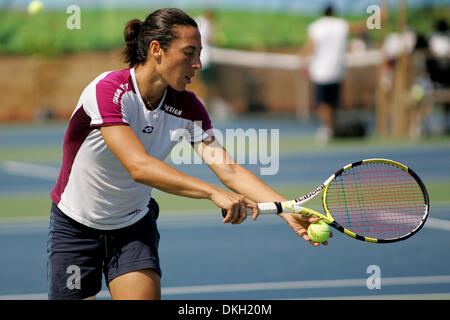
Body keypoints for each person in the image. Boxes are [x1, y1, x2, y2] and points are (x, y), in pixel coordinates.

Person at [47, 8, 329, 301]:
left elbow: (228, 169)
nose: (198, 64)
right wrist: (212, 193)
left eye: (200, 53)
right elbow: (138, 166)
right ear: (157, 50)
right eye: (189, 53)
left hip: (132, 229)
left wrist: (286, 210)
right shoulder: (109, 91)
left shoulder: (189, 107)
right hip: (76, 226)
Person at [301, 5, 373, 143]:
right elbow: (360, 27)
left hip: (321, 72)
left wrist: (302, 61)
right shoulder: (340, 25)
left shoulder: (316, 27)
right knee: (332, 103)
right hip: (337, 70)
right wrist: (377, 18)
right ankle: (330, 128)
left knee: (323, 103)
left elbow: (310, 46)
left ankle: (328, 128)